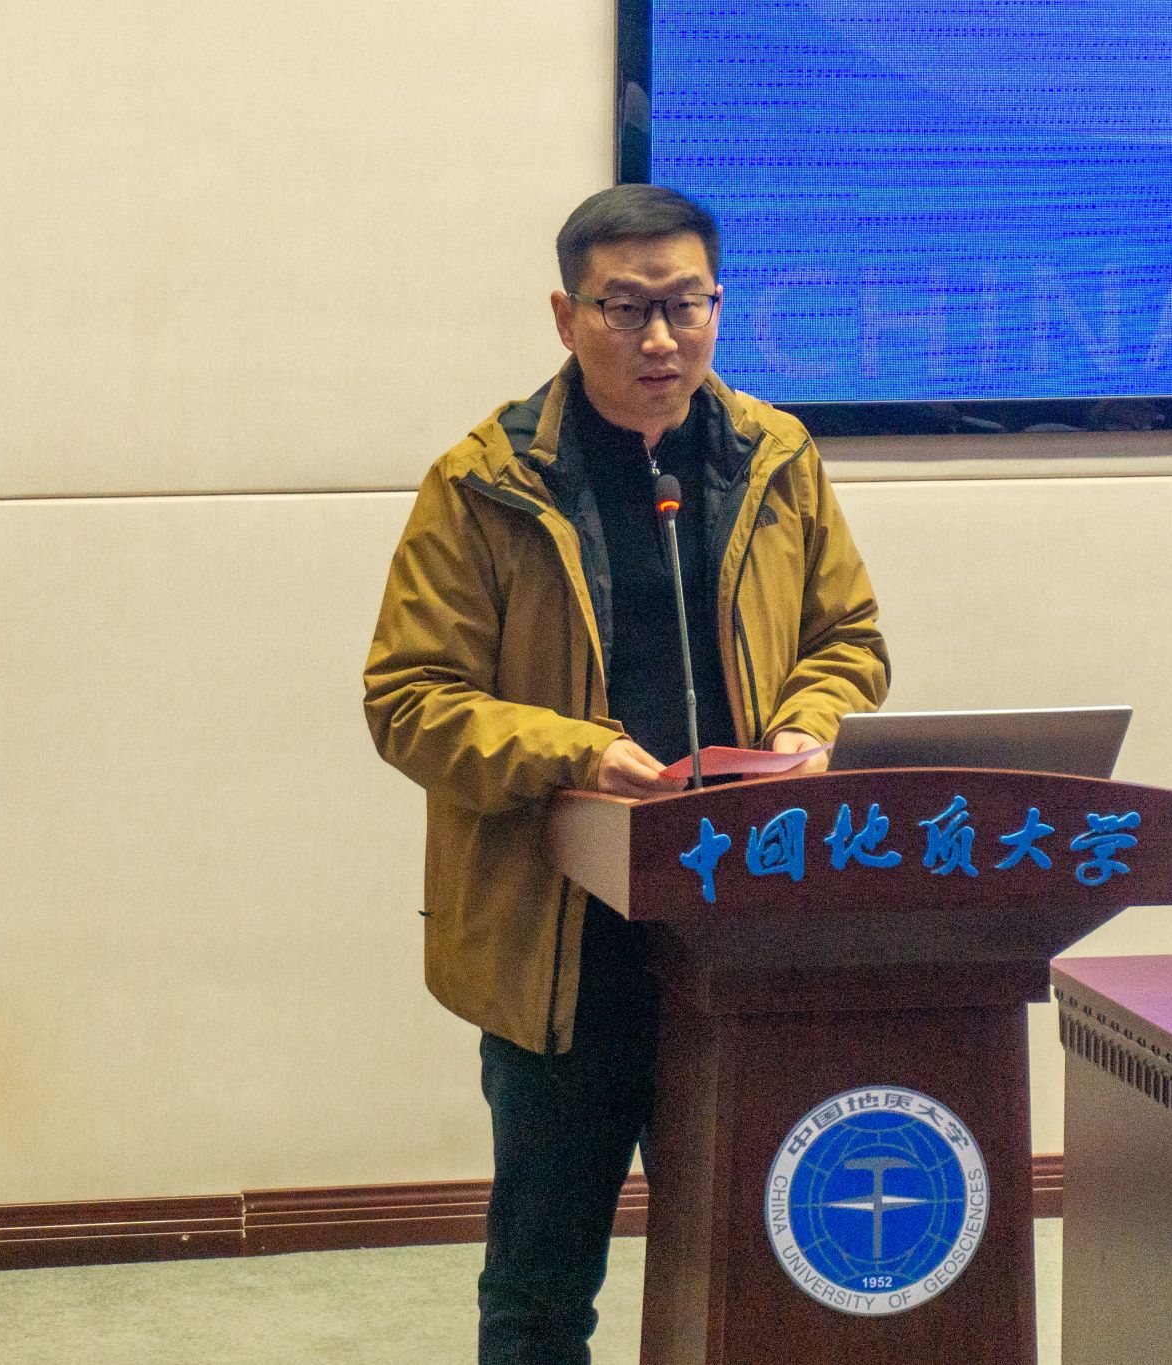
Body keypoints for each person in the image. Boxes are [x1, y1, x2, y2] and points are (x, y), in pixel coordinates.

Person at [363, 183, 890, 1364]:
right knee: (542, 1289)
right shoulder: (484, 483)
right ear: (565, 317)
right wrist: (578, 752)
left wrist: (807, 726)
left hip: (748, 924)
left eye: (685, 305)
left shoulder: (772, 457)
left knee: (769, 1265)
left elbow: (847, 640)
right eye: (625, 308)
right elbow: (408, 700)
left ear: (718, 306)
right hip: (567, 939)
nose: (660, 339)